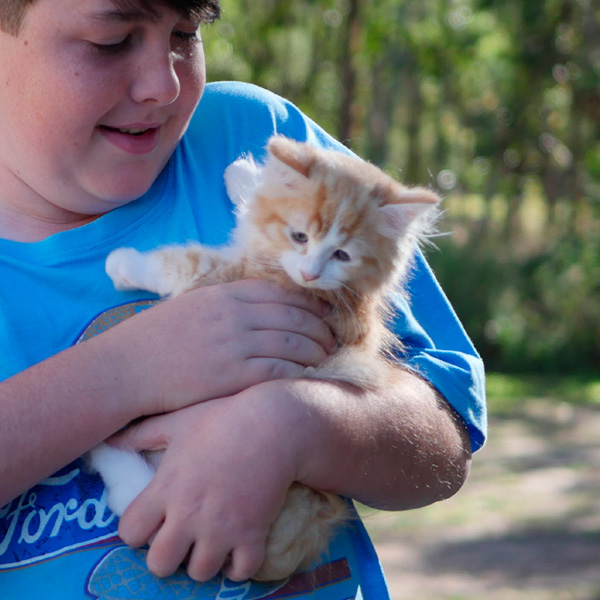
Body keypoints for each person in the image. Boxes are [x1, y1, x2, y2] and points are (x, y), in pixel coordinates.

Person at [0, 0, 486, 598]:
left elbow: (445, 436)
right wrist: (124, 370)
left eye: (185, 33)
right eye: (113, 40)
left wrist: (290, 424)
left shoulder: (256, 140)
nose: (164, 84)